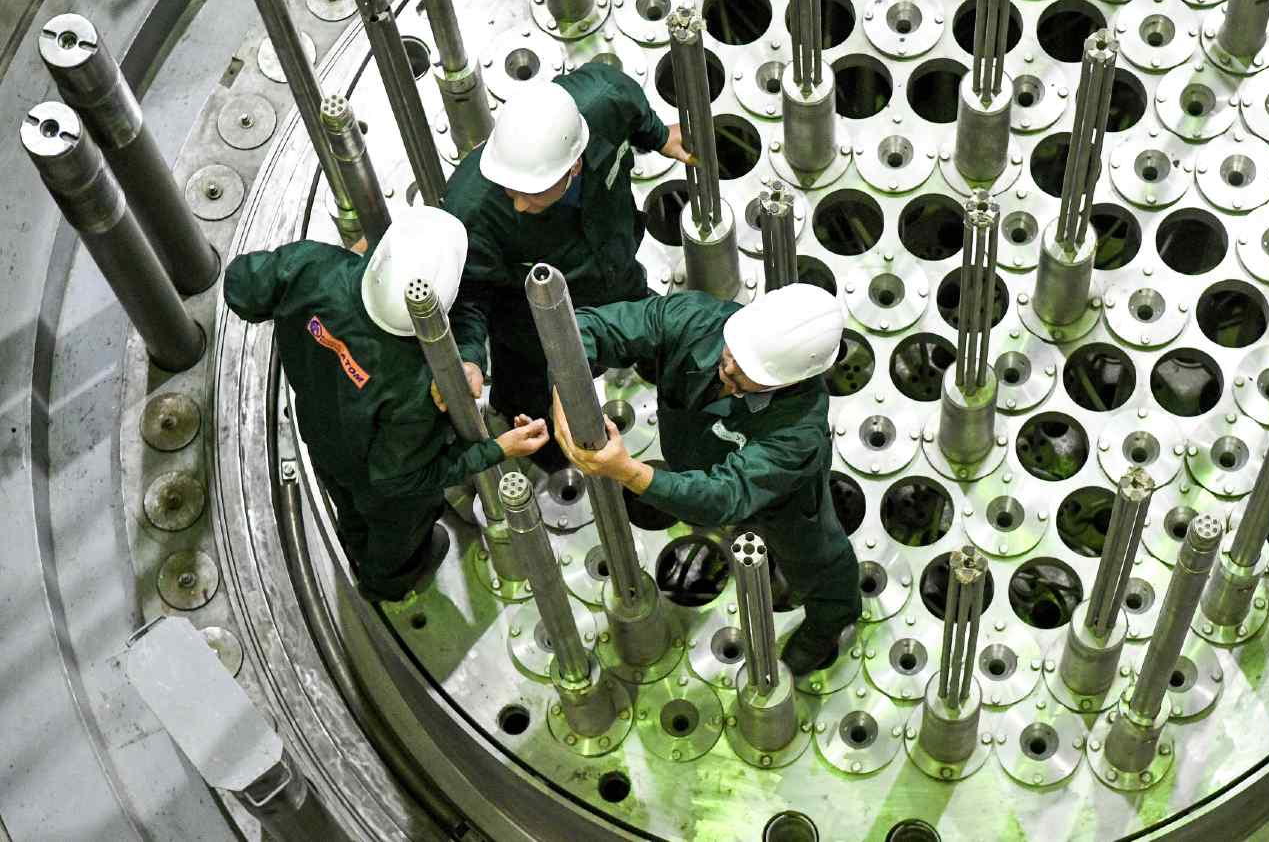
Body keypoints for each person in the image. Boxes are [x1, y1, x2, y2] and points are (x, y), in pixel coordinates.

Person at [223, 207, 550, 603]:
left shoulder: (311, 267)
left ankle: (355, 544)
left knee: (347, 505)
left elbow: (240, 287)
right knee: (396, 538)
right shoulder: (418, 387)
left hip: (320, 432)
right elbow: (401, 481)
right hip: (382, 486)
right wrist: (499, 449)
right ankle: (388, 584)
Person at [551, 284, 862, 676]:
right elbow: (584, 328)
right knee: (690, 492)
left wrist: (627, 471)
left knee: (816, 559)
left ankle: (830, 624)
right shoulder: (692, 318)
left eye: (747, 373)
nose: (728, 368)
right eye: (731, 354)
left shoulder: (800, 431)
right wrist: (565, 394)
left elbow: (724, 495)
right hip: (692, 457)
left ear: (788, 382)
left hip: (781, 498)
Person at [441, 61, 694, 468]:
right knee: (546, 426)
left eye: (533, 193)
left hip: (617, 276)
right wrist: (469, 354)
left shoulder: (605, 98)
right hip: (533, 331)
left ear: (573, 166)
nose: (520, 204)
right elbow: (470, 295)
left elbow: (631, 105)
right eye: (511, 191)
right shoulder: (471, 210)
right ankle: (555, 458)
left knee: (654, 333)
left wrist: (660, 136)